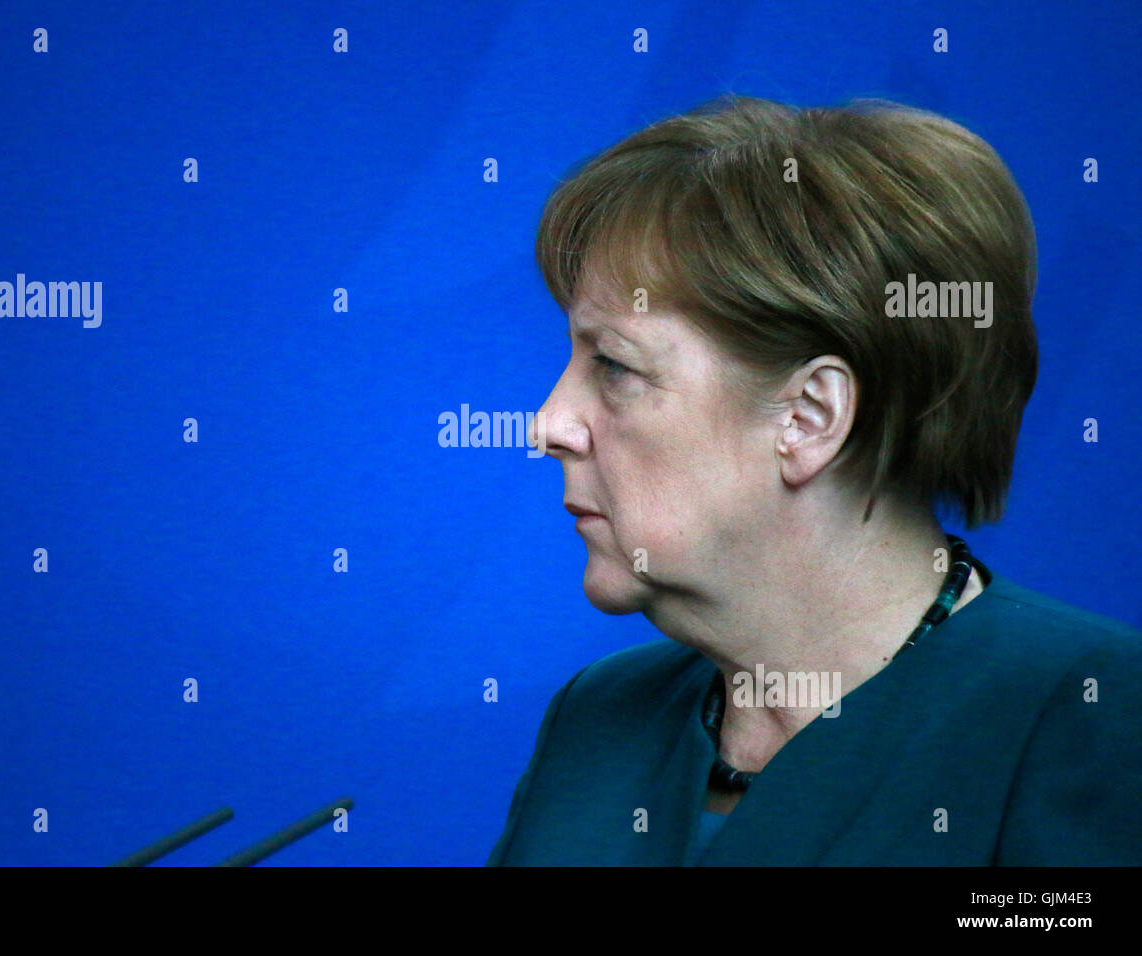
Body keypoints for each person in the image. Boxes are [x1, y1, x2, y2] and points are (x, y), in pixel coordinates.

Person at [487, 95, 1142, 865]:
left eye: (615, 366)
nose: (549, 424)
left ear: (808, 416)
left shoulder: (1096, 717)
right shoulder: (597, 717)